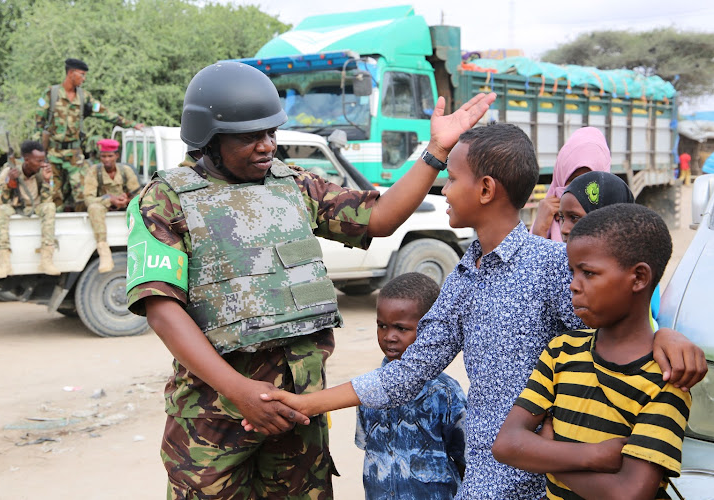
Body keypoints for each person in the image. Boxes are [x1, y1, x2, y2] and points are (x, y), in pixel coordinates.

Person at [252, 123, 707, 499]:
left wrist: (662, 336)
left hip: (548, 482)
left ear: (486, 188)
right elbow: (407, 373)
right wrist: (306, 403)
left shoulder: (549, 266)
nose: (443, 188)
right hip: (485, 479)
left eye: (451, 178)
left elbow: (612, 331)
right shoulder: (464, 277)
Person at [124, 60, 496, 499]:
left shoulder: (293, 184)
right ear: (210, 137)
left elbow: (379, 217)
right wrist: (239, 391)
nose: (266, 146)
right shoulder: (165, 199)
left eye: (271, 133)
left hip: (299, 413)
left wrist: (434, 153)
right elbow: (161, 309)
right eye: (250, 136)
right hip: (214, 419)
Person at [492, 204, 691, 500]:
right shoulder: (562, 351)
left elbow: (628, 494)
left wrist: (552, 459)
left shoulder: (666, 377)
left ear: (638, 278)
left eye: (588, 273)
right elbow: (506, 445)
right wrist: (594, 455)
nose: (573, 285)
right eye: (573, 272)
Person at [356, 272, 467, 500]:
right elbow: (367, 446)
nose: (389, 336)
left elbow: (465, 457)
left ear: (430, 330)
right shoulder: (367, 389)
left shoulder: (445, 393)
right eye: (382, 326)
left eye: (401, 328)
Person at [34, 58, 144, 211]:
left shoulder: (84, 97)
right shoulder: (51, 94)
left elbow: (105, 113)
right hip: (53, 152)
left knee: (82, 194)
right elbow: (38, 125)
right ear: (71, 73)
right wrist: (39, 155)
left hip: (74, 154)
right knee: (53, 194)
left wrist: (131, 124)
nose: (84, 79)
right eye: (82, 75)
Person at [558, 171, 661, 329]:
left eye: (575, 218)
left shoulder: (635, 273)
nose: (564, 229)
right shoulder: (561, 263)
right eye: (561, 218)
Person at [0, 140, 59, 278]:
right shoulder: (9, 170)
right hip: (15, 206)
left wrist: (46, 181)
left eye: (43, 160)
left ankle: (46, 259)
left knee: (50, 207)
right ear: (26, 160)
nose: (42, 164)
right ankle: (4, 263)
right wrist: (10, 184)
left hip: (35, 206)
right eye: (38, 161)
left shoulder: (42, 172)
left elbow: (47, 200)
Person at [530, 126, 611, 241]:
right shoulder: (543, 221)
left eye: (590, 183)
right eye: (574, 180)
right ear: (560, 176)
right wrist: (540, 231)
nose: (565, 230)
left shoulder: (613, 234)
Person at [84, 138, 140, 273]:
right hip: (104, 205)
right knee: (94, 208)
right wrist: (109, 199)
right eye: (103, 156)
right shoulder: (94, 171)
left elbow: (138, 193)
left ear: (116, 155)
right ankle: (104, 252)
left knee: (142, 206)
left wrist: (127, 200)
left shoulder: (125, 170)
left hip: (125, 204)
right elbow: (88, 198)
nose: (107, 159)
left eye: (110, 156)